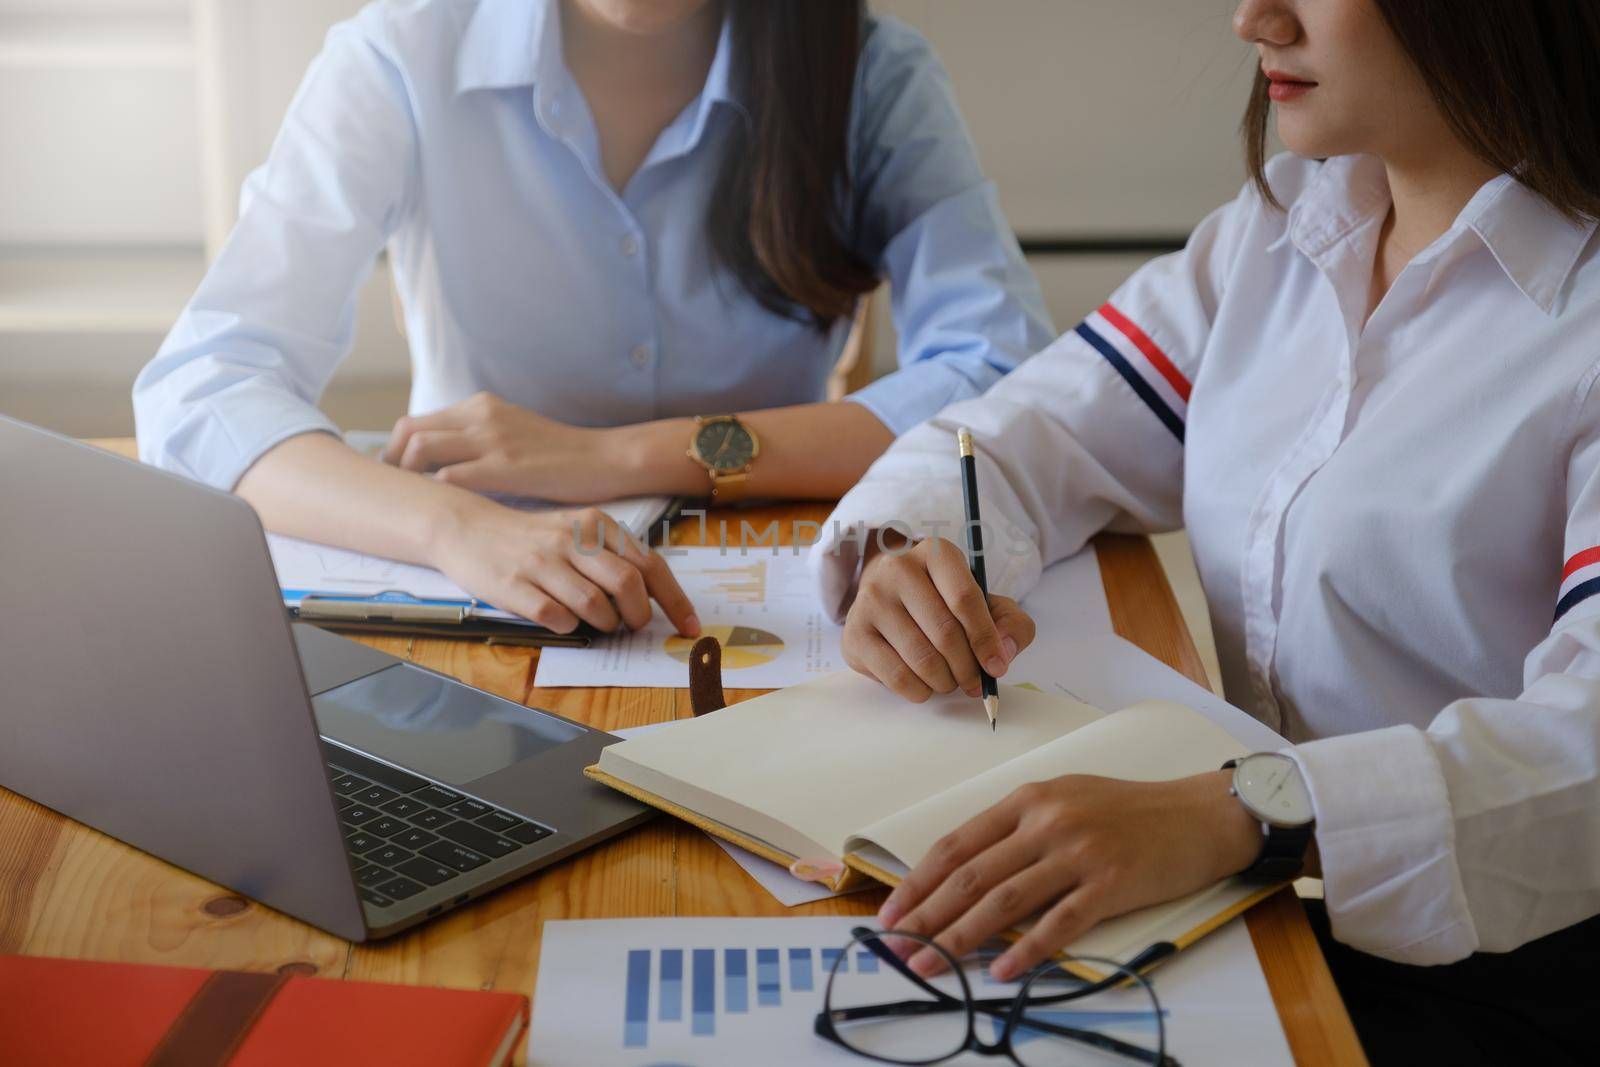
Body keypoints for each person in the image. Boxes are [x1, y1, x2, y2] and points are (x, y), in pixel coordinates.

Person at [816, 0, 1600, 1061]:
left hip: (1508, 980)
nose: (1251, 20)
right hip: (1249, 899)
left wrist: (1255, 812)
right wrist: (911, 556)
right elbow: (1026, 429)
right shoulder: (1281, 228)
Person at [132, 0, 1051, 637]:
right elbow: (204, 388)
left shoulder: (871, 73)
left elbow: (1006, 373)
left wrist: (619, 455)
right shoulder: (401, 54)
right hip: (484, 582)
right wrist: (455, 529)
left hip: (783, 592)